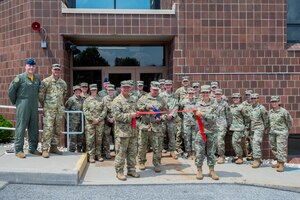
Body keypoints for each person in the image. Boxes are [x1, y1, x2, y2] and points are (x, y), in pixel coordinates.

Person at [8, 57, 41, 158]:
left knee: (34, 127)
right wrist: (17, 102)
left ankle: (33, 148)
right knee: (21, 126)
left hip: (34, 105)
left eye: (33, 66)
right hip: (23, 104)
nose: (31, 67)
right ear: (25, 66)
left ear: (35, 67)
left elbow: (39, 93)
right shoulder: (20, 78)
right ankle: (18, 150)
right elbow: (11, 91)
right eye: (29, 65)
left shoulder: (37, 79)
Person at [112, 80, 140, 181]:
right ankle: (119, 171)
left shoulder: (132, 99)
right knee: (121, 152)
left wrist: (137, 114)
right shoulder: (117, 100)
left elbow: (135, 110)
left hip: (132, 131)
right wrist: (130, 115)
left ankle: (131, 170)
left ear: (130, 88)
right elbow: (116, 116)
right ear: (121, 88)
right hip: (122, 132)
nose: (126, 89)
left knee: (132, 152)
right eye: (124, 87)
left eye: (128, 87)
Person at [39, 64, 67, 158]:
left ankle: (54, 147)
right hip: (49, 110)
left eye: (58, 69)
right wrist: (46, 106)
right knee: (48, 129)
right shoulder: (45, 82)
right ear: (51, 70)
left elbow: (64, 95)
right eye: (55, 69)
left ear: (60, 71)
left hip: (59, 110)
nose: (56, 71)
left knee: (57, 129)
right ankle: (45, 149)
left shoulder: (63, 83)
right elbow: (41, 96)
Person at [137, 81, 167, 172]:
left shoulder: (162, 100)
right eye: (154, 90)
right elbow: (138, 107)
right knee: (142, 146)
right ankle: (142, 162)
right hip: (145, 126)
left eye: (157, 90)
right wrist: (147, 107)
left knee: (157, 147)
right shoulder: (144, 98)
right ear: (150, 89)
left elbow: (166, 112)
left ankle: (157, 164)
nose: (155, 91)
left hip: (156, 127)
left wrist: (161, 118)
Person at [195, 85, 219, 180]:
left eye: (207, 92)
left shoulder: (214, 104)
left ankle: (211, 170)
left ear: (210, 93)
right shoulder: (197, 104)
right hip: (200, 131)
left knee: (211, 152)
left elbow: (214, 117)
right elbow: (195, 117)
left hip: (211, 131)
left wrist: (203, 114)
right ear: (201, 93)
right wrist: (194, 114)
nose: (205, 94)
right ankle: (199, 170)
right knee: (199, 151)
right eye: (203, 92)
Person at [268, 96, 293, 172]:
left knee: (280, 148)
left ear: (279, 102)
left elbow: (290, 121)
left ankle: (281, 164)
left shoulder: (284, 111)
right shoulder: (270, 112)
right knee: (273, 147)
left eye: (275, 101)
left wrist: (286, 130)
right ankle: (279, 161)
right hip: (272, 132)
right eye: (272, 102)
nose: (274, 103)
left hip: (281, 133)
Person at [83, 84, 106, 163]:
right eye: (92, 90)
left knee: (99, 139)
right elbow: (85, 111)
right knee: (90, 139)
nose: (93, 91)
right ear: (90, 90)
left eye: (95, 90)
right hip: (90, 123)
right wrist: (93, 119)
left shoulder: (101, 99)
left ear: (97, 90)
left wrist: (99, 119)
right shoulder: (87, 100)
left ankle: (98, 155)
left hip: (99, 122)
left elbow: (104, 110)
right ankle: (91, 156)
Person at [159, 80, 178, 159]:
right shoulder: (161, 95)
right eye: (166, 85)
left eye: (169, 85)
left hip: (171, 119)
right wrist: (163, 115)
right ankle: (159, 151)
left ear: (171, 85)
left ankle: (172, 151)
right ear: (164, 86)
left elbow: (176, 106)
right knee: (160, 135)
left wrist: (172, 114)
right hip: (163, 118)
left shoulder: (174, 95)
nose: (168, 86)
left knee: (172, 135)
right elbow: (159, 106)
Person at [249, 93, 269, 168]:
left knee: (255, 143)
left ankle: (257, 160)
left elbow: (266, 118)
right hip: (252, 128)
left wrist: (266, 128)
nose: (253, 100)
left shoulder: (261, 108)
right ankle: (258, 159)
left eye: (255, 98)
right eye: (252, 99)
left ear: (258, 99)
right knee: (252, 143)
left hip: (259, 128)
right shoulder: (250, 107)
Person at [229, 93, 249, 164]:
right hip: (233, 127)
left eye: (237, 98)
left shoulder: (242, 107)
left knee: (235, 142)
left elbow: (247, 117)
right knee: (235, 142)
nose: (235, 99)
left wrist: (246, 127)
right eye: (234, 98)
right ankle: (238, 155)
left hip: (240, 128)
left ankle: (240, 157)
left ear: (239, 99)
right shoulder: (231, 107)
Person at [65, 85, 84, 152]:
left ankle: (79, 149)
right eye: (76, 91)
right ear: (74, 91)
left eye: (79, 90)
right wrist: (68, 120)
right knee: (73, 136)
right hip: (73, 122)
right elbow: (66, 110)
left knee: (80, 136)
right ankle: (72, 150)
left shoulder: (82, 99)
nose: (77, 92)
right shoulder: (71, 99)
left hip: (81, 121)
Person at [215, 89, 232, 164]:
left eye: (219, 94)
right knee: (214, 140)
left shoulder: (225, 104)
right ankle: (216, 155)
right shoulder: (212, 102)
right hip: (214, 124)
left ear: (221, 95)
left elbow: (228, 115)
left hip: (222, 124)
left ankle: (221, 156)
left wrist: (228, 124)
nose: (218, 95)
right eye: (216, 94)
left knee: (220, 140)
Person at [180, 87, 197, 160]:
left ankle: (194, 153)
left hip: (195, 123)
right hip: (186, 123)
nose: (191, 95)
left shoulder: (197, 101)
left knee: (194, 138)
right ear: (187, 94)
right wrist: (184, 118)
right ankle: (189, 153)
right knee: (187, 138)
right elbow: (180, 111)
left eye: (192, 93)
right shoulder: (183, 102)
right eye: (189, 93)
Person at [174, 76, 190, 155]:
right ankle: (178, 147)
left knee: (188, 132)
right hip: (180, 115)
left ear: (189, 82)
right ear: (182, 82)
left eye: (186, 81)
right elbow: (176, 102)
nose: (185, 83)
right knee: (179, 131)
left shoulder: (191, 90)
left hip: (189, 115)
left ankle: (188, 148)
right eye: (184, 81)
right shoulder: (178, 91)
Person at [102, 84, 116, 159]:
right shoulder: (104, 99)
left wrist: (113, 118)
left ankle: (117, 152)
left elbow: (118, 110)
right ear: (107, 91)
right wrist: (108, 118)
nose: (110, 91)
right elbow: (103, 110)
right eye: (109, 90)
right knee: (106, 138)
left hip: (115, 120)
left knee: (116, 137)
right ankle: (107, 153)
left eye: (112, 90)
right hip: (107, 121)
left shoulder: (117, 99)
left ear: (114, 91)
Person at [241, 89, 253, 160]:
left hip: (253, 126)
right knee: (246, 141)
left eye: (249, 95)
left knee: (253, 141)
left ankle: (255, 156)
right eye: (247, 95)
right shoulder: (243, 104)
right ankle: (249, 155)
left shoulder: (254, 103)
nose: (248, 96)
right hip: (246, 125)